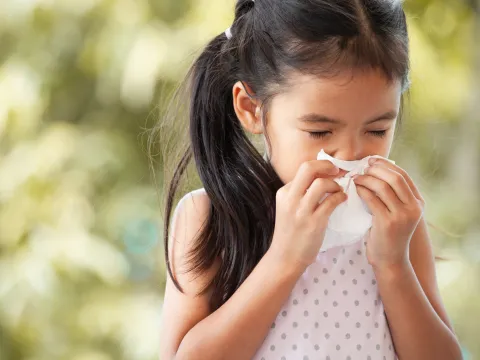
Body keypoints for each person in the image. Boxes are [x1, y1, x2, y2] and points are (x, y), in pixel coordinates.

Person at [158, 0, 463, 359]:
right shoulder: (209, 216)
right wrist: (284, 259)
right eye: (320, 131)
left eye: (377, 129)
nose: (351, 154)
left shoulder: (395, 223)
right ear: (251, 109)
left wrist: (393, 265)